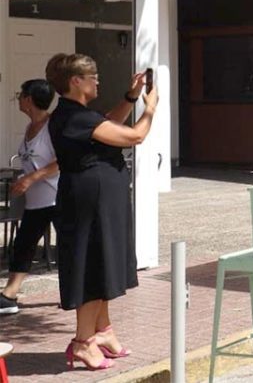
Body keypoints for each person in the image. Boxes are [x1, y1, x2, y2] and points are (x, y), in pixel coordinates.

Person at [46, 53, 158, 371]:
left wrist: (131, 97)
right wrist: (150, 107)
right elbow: (134, 136)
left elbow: (107, 121)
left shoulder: (80, 115)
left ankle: (103, 331)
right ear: (75, 81)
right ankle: (82, 342)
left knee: (104, 261)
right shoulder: (71, 116)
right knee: (93, 267)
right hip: (88, 202)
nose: (98, 80)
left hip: (98, 199)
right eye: (92, 76)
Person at [0, 78, 60, 315]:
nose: (18, 98)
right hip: (36, 202)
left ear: (29, 100)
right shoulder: (29, 127)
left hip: (57, 198)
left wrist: (30, 179)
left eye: (21, 94)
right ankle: (9, 295)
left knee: (69, 247)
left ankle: (79, 294)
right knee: (23, 245)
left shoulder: (52, 127)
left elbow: (61, 160)